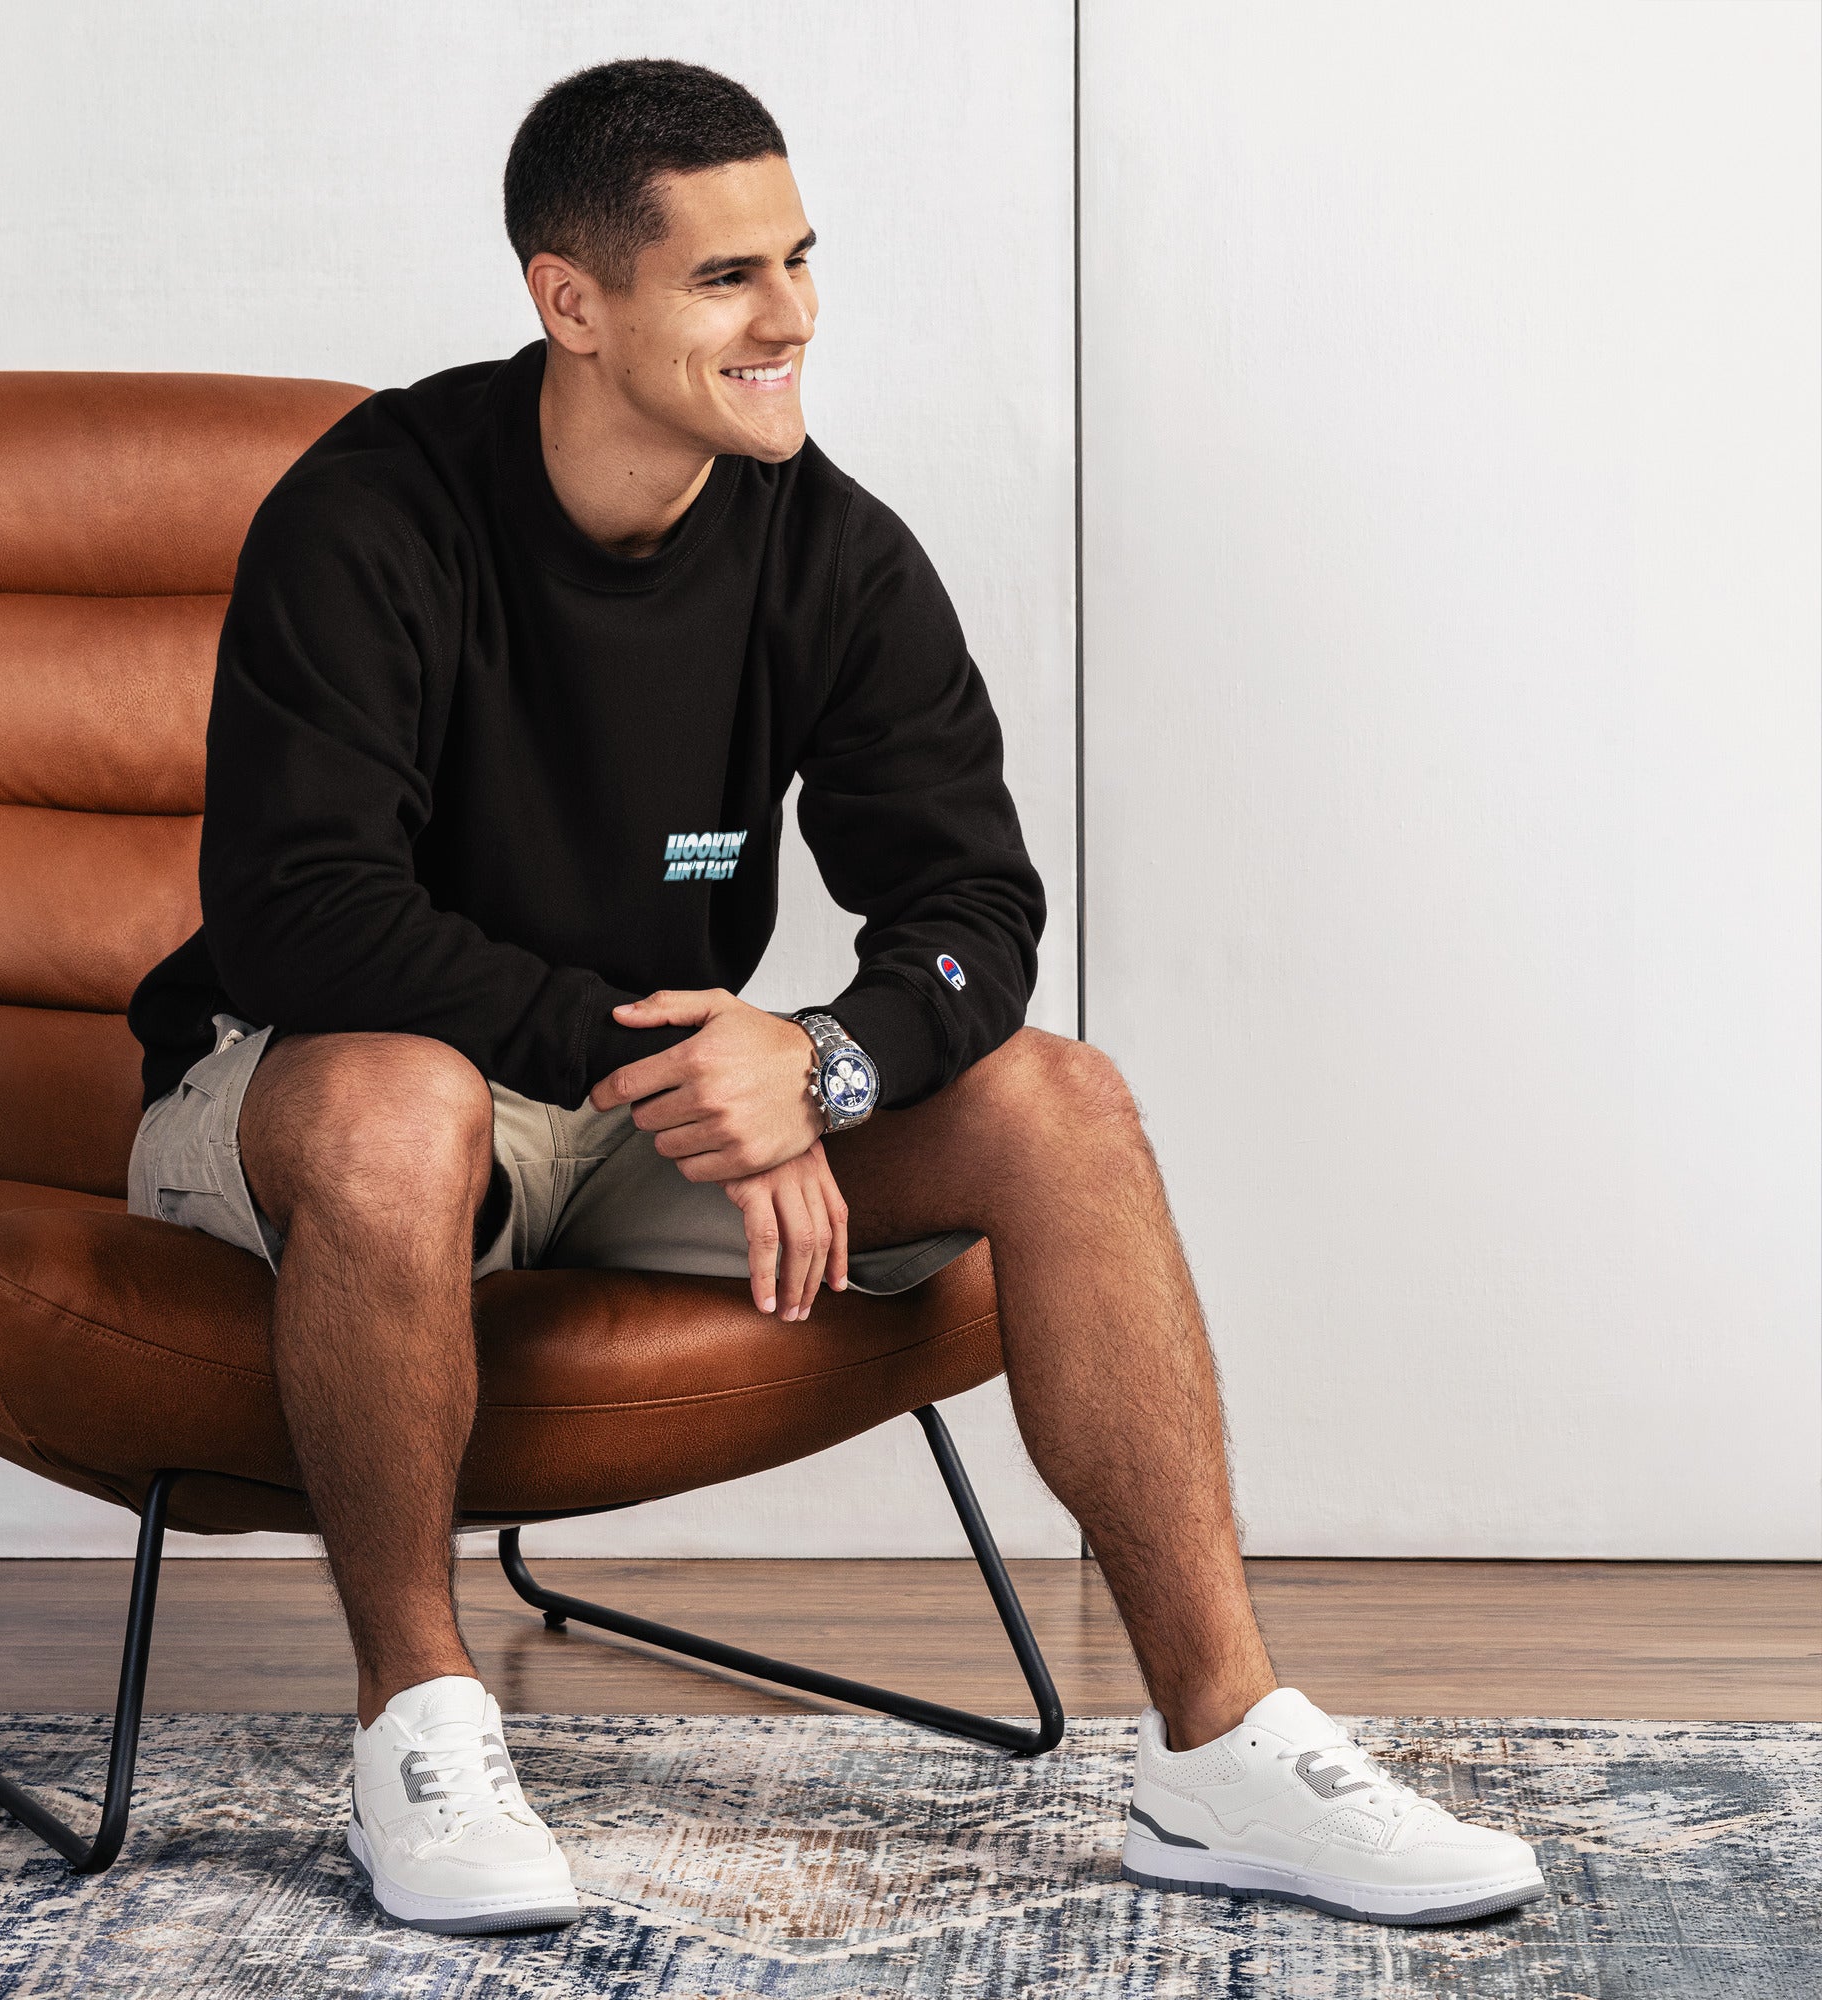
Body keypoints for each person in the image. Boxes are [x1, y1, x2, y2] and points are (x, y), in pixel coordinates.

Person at [125, 57, 1545, 1937]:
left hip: (623, 1107)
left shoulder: (829, 550)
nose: (790, 314)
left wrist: (825, 1063)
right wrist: (680, 1066)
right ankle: (420, 1724)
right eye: (727, 277)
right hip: (315, 1087)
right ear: (572, 300)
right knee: (407, 1104)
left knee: (1062, 1104)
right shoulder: (374, 512)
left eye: (798, 259)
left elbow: (974, 905)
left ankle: (1221, 1748)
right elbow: (301, 916)